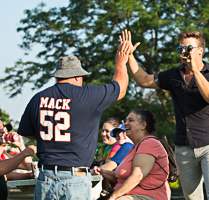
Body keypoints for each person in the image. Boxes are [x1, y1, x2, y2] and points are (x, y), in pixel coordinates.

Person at [119, 29, 209, 199]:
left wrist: (195, 71)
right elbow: (142, 80)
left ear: (200, 50)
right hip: (184, 148)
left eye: (188, 48)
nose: (183, 53)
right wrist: (130, 56)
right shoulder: (174, 75)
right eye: (180, 49)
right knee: (192, 198)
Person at [17, 41, 130, 200]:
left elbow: (27, 133)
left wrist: (55, 137)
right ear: (77, 76)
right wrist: (120, 61)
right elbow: (121, 88)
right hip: (74, 179)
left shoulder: (38, 98)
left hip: (45, 177)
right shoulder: (88, 95)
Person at [94, 108, 170, 200]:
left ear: (143, 125)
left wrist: (113, 197)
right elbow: (120, 178)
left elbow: (137, 177)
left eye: (131, 120)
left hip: (146, 196)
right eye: (126, 120)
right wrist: (102, 172)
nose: (125, 123)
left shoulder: (149, 143)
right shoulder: (136, 146)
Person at [0, 115, 36, 200]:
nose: (3, 131)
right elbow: (0, 168)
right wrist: (24, 153)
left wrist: (21, 145)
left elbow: (27, 166)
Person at [93, 123, 134, 198]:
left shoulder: (127, 146)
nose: (119, 135)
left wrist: (89, 172)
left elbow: (108, 167)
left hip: (128, 194)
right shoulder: (130, 147)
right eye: (117, 133)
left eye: (123, 132)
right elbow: (118, 177)